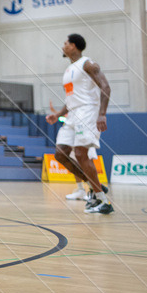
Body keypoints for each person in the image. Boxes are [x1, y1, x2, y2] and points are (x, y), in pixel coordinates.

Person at [46, 34, 113, 215]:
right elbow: (71, 99)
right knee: (60, 154)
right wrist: (58, 114)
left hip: (88, 111)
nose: (63, 46)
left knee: (81, 153)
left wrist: (102, 114)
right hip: (73, 114)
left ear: (74, 46)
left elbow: (105, 86)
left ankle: (102, 200)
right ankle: (96, 186)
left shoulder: (87, 64)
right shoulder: (68, 70)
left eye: (65, 43)